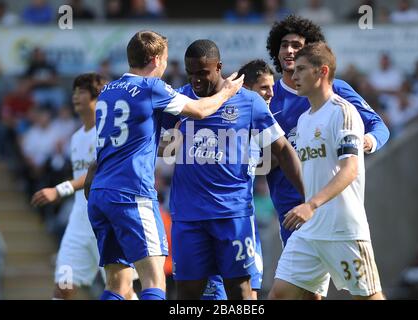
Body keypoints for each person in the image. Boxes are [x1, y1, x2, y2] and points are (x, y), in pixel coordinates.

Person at [84, 30, 244, 300]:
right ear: (155, 59)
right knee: (154, 279)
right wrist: (227, 92)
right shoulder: (151, 88)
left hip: (101, 193)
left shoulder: (108, 91)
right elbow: (201, 110)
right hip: (131, 194)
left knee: (116, 284)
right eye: (165, 60)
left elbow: (128, 142)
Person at [163, 39, 303, 300]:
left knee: (240, 292)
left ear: (219, 67)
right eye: (190, 73)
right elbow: (157, 145)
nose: (195, 80)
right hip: (188, 216)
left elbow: (282, 150)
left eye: (202, 73)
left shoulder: (249, 102)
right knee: (187, 294)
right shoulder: (179, 102)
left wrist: (310, 198)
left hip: (232, 215)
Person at [270, 42, 384, 300]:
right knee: (279, 294)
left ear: (321, 72)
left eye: (301, 69)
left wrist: (310, 204)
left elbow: (350, 169)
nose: (294, 75)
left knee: (368, 297)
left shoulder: (342, 112)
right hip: (310, 231)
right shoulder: (304, 119)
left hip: (342, 229)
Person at [265, 14, 390, 246]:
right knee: (291, 283)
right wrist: (269, 159)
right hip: (292, 211)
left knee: (350, 283)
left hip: (332, 205)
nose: (289, 51)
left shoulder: (336, 90)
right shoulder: (267, 96)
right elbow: (257, 159)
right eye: (284, 45)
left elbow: (379, 127)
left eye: (296, 45)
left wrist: (366, 141)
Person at [30, 73, 124, 299]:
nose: (75, 96)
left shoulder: (109, 132)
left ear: (97, 98)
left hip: (107, 221)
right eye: (74, 92)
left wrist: (60, 189)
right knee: (62, 286)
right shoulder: (75, 137)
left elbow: (97, 175)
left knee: (121, 289)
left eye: (81, 91)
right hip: (79, 222)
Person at [200, 59, 276, 300]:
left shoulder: (263, 124)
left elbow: (277, 155)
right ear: (247, 91)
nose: (271, 93)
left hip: (244, 221)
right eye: (264, 88)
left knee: (248, 293)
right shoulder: (223, 121)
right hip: (213, 220)